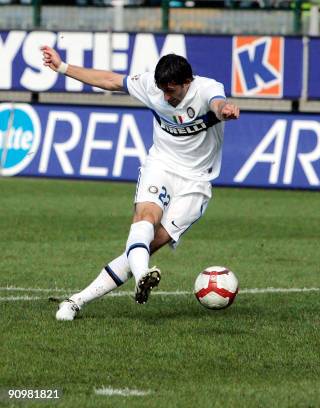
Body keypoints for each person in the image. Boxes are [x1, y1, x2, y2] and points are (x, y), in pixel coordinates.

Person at [39, 46, 240, 321]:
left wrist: (224, 109)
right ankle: (141, 277)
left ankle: (78, 299)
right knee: (145, 217)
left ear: (187, 82)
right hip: (161, 165)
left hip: (196, 181)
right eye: (163, 91)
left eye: (172, 91)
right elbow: (110, 80)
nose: (166, 97)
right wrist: (63, 67)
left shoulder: (206, 89)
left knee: (150, 244)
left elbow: (217, 102)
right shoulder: (152, 87)